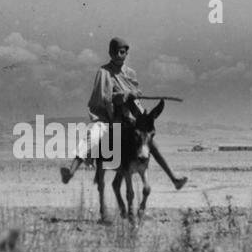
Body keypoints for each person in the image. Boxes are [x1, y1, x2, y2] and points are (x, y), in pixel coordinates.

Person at [60, 36, 187, 190]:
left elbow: (135, 94)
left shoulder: (130, 73)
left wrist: (133, 94)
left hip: (126, 119)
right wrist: (119, 97)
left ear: (126, 53)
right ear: (110, 53)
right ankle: (70, 172)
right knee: (92, 135)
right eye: (115, 52)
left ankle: (174, 178)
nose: (118, 55)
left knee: (149, 141)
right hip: (106, 119)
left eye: (122, 52)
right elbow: (102, 97)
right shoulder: (103, 72)